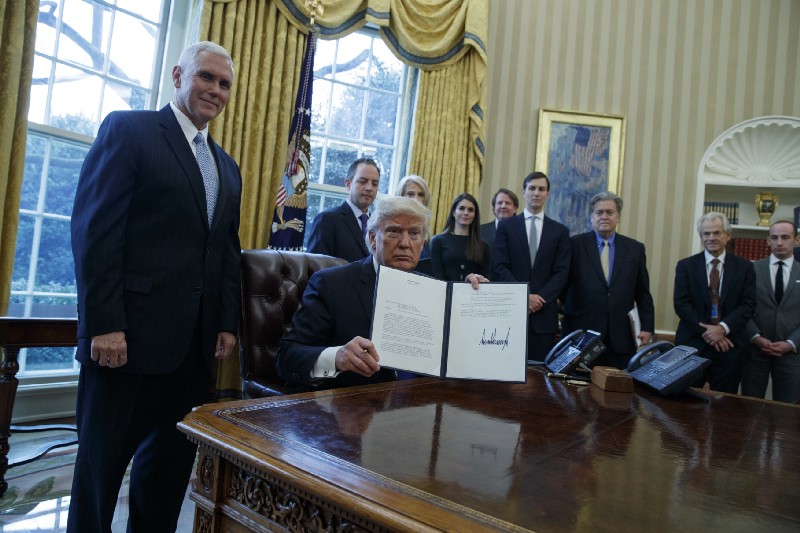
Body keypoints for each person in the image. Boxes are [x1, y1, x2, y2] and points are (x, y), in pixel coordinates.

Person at [68, 41, 242, 531]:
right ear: (178, 75)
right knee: (99, 478)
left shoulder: (227, 167)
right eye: (205, 77)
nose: (214, 90)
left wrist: (225, 323)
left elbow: (226, 253)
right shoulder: (130, 130)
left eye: (224, 83)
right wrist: (103, 324)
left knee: (165, 481)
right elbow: (95, 232)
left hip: (191, 355)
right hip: (123, 345)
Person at [276, 196, 488, 390]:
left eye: (414, 233)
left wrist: (474, 302)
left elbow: (456, 358)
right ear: (372, 237)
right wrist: (336, 357)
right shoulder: (332, 284)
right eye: (394, 231)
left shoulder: (435, 291)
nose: (405, 243)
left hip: (420, 411)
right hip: (352, 413)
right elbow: (287, 358)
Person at [561, 192, 655, 369]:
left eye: (609, 212)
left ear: (618, 216)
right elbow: (563, 284)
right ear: (592, 217)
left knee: (615, 389)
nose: (604, 216)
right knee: (575, 389)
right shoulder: (574, 245)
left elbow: (643, 293)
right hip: (582, 332)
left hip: (620, 336)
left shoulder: (635, 249)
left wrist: (647, 327)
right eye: (599, 212)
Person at [673, 212, 756, 393]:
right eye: (706, 234)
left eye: (717, 233)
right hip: (693, 344)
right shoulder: (686, 266)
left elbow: (748, 305)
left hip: (730, 345)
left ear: (728, 235)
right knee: (683, 403)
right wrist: (710, 332)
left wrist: (723, 328)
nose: (711, 238)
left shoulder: (745, 267)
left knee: (724, 406)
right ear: (701, 237)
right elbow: (681, 304)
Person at [493, 171, 571, 361]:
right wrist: (523, 296)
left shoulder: (560, 231)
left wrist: (539, 298)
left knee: (538, 376)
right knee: (506, 369)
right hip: (510, 313)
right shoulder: (506, 227)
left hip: (544, 317)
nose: (536, 193)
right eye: (532, 188)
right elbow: (499, 267)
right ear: (524, 192)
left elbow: (562, 272)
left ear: (547, 194)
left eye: (541, 189)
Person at [742, 220, 800, 403]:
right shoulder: (751, 269)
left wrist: (791, 343)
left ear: (797, 240)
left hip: (791, 354)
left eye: (785, 237)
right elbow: (742, 308)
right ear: (768, 241)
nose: (779, 242)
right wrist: (755, 337)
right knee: (750, 409)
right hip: (755, 351)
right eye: (774, 238)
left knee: (787, 413)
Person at [306, 157, 379, 262]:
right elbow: (316, 267)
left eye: (375, 184)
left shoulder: (378, 225)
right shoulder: (327, 220)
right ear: (348, 185)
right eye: (363, 181)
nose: (369, 188)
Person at [430, 193, 491, 281]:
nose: (466, 213)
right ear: (454, 212)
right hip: (444, 292)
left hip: (473, 293)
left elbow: (484, 279)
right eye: (461, 208)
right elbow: (436, 277)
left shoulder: (484, 246)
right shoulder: (437, 241)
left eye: (470, 210)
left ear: (475, 215)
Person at [394, 174, 432, 259]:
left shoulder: (425, 230)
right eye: (410, 194)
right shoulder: (391, 225)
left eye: (421, 195)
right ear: (401, 196)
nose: (416, 199)